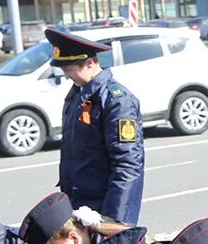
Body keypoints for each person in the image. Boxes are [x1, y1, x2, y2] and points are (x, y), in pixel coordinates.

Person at [48, 28, 145, 224]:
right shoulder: (78, 94)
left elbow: (127, 165)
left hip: (102, 208)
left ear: (90, 64)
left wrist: (114, 221)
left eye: (69, 71)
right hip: (80, 204)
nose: (67, 77)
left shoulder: (117, 101)